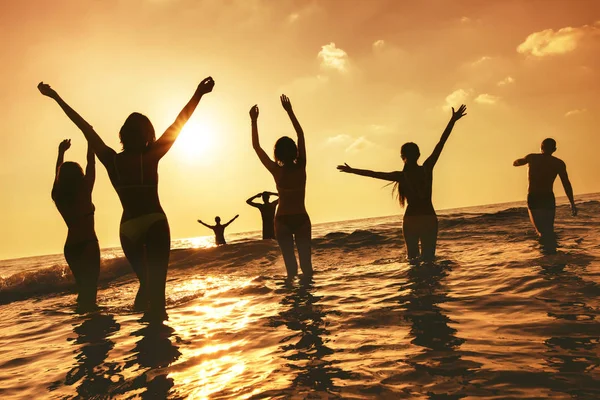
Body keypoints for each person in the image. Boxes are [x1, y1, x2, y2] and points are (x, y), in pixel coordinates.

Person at [38, 77, 215, 320]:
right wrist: (198, 94)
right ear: (147, 135)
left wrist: (56, 97)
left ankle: (142, 338)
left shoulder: (112, 160)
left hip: (128, 228)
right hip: (154, 222)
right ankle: (155, 341)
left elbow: (84, 129)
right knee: (158, 298)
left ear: (123, 135)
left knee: (144, 284)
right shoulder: (152, 155)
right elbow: (179, 123)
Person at [337, 105, 467, 262]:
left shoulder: (401, 176)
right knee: (429, 259)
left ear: (402, 157)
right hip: (428, 217)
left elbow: (373, 174)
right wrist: (452, 121)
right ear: (419, 155)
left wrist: (352, 170)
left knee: (412, 259)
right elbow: (441, 143)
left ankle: (415, 284)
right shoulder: (427, 168)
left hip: (411, 219)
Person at [250, 95, 313, 280]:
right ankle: (307, 305)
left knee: (291, 270)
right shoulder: (301, 165)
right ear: (294, 150)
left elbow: (256, 147)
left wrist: (253, 121)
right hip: (300, 218)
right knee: (306, 268)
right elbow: (300, 134)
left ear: (277, 153)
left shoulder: (276, 170)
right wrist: (289, 111)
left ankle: (294, 307)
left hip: (283, 220)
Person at [52, 138, 100, 311]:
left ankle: (83, 326)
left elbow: (56, 177)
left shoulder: (58, 196)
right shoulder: (85, 190)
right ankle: (92, 327)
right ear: (79, 175)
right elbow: (91, 164)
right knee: (91, 291)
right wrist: (90, 141)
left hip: (71, 247)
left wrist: (61, 153)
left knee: (82, 289)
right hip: (88, 244)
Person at [513, 138, 577, 240]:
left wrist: (519, 161)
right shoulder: (558, 163)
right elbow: (566, 184)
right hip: (548, 197)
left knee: (541, 232)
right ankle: (553, 253)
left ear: (541, 147)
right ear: (554, 149)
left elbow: (516, 163)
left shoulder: (532, 157)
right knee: (549, 230)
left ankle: (546, 254)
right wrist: (572, 203)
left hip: (534, 196)